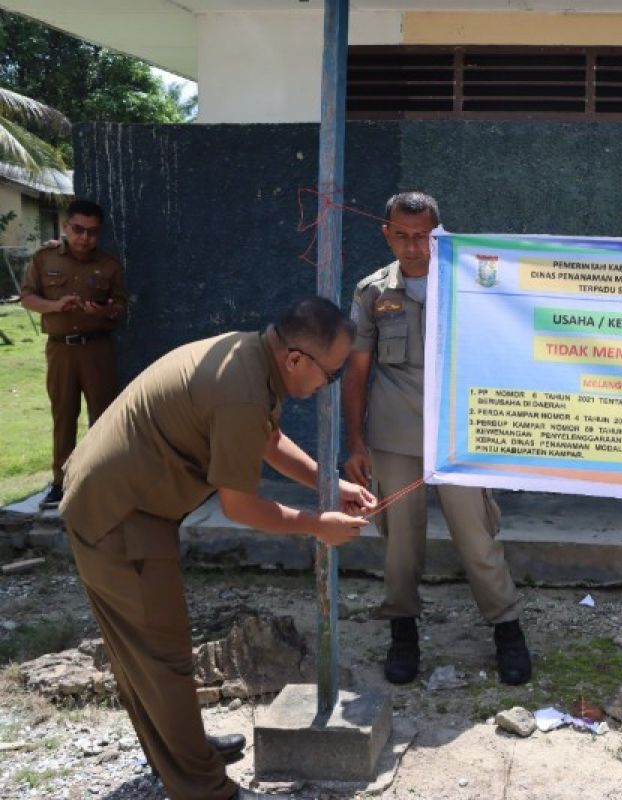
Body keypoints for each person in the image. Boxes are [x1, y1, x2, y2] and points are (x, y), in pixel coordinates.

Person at [60, 297, 376, 800]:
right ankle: (204, 788)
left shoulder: (252, 357)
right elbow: (240, 507)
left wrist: (328, 483)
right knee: (159, 657)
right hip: (118, 515)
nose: (327, 386)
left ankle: (184, 753)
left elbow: (266, 442)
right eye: (331, 375)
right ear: (295, 358)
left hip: (128, 503)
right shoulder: (243, 390)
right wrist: (319, 524)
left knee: (149, 654)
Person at [342, 190, 531, 686]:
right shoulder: (371, 293)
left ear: (438, 233)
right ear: (386, 233)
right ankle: (403, 632)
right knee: (399, 544)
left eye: (422, 235)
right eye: (401, 236)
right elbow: (356, 372)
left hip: (459, 434)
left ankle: (507, 628)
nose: (412, 246)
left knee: (476, 536)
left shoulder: (472, 285)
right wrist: (356, 444)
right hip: (394, 434)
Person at [19, 199, 127, 509]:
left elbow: (120, 306)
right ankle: (61, 482)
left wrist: (104, 310)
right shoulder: (44, 259)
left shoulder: (108, 265)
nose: (84, 238)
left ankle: (104, 480)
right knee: (64, 415)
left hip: (97, 348)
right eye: (78, 229)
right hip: (60, 349)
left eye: (92, 232)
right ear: (66, 227)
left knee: (105, 416)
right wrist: (54, 306)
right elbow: (27, 296)